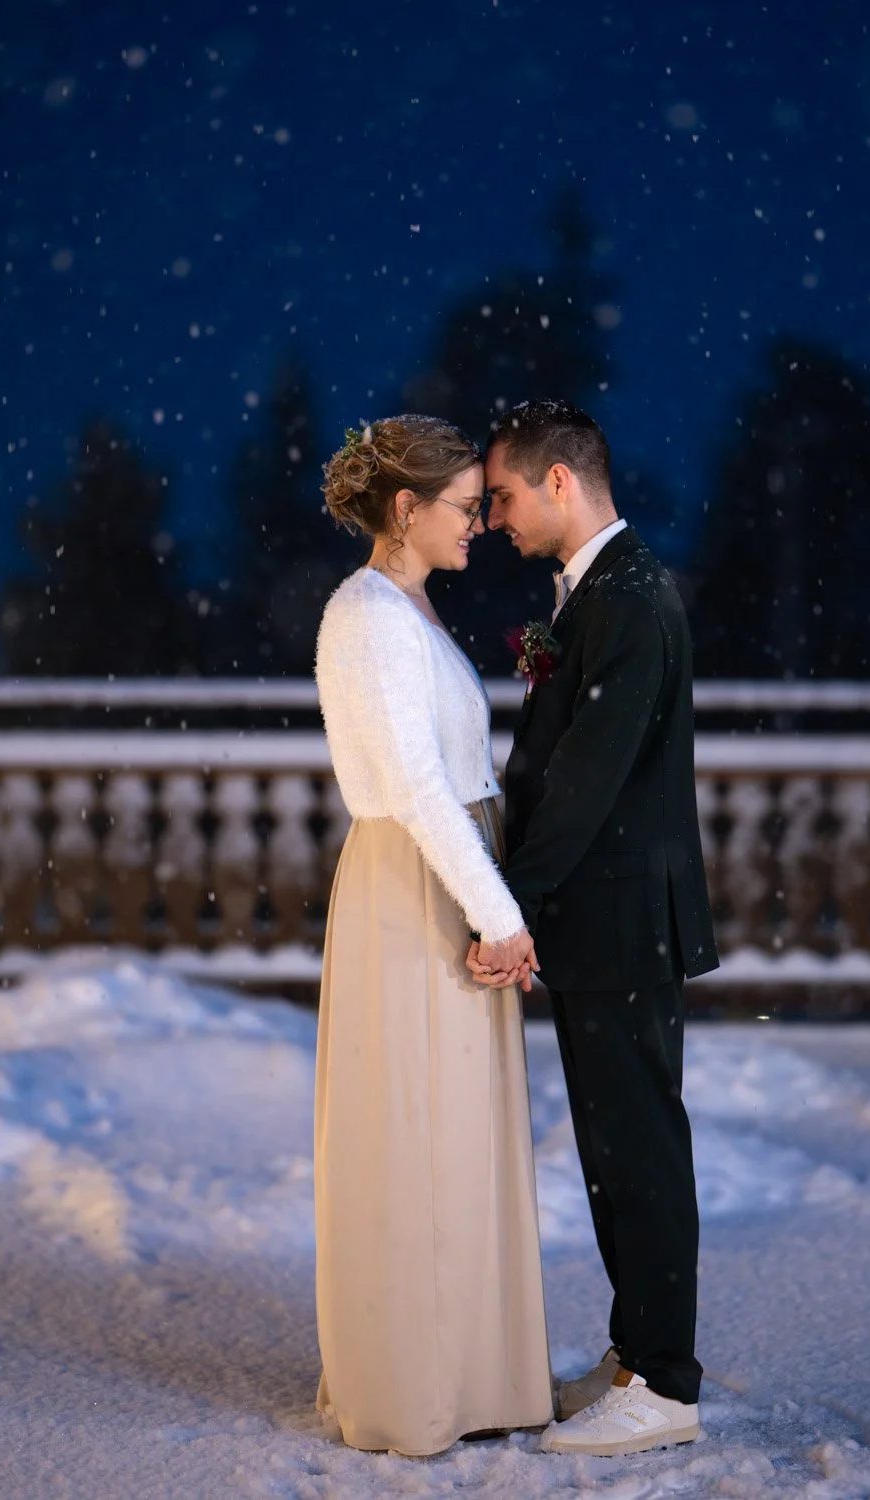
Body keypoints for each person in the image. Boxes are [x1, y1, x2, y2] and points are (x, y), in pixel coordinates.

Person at [469, 399, 719, 1458]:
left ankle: (664, 1385)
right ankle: (632, 1356)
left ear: (559, 482)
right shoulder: (592, 596)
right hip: (600, 919)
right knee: (612, 1154)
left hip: (622, 919)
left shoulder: (629, 597)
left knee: (641, 1150)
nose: (492, 518)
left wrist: (506, 904)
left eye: (505, 495)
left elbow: (583, 778)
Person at [312, 415, 553, 1457]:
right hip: (415, 888)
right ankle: (410, 1386)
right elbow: (414, 784)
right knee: (412, 1132)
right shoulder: (367, 615)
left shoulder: (410, 607)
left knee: (454, 1135)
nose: (480, 526)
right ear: (405, 510)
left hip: (448, 871)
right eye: (463, 508)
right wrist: (497, 914)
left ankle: (468, 1371)